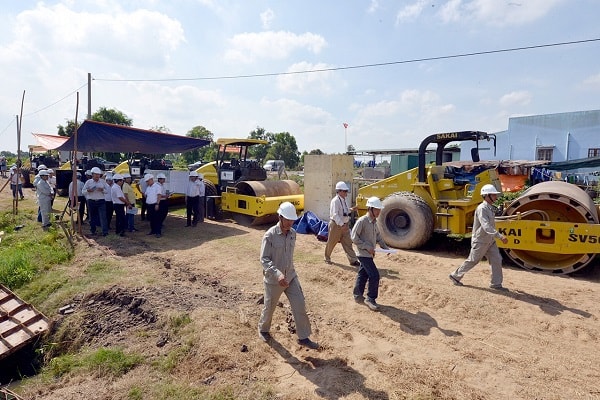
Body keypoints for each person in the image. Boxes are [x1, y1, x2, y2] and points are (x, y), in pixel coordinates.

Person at [258, 202, 319, 349]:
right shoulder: (270, 235)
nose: (290, 223)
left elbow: (288, 256)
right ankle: (263, 329)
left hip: (290, 276)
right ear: (280, 217)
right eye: (287, 220)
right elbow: (264, 259)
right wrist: (278, 275)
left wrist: (287, 273)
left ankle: (303, 337)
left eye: (292, 220)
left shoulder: (293, 233)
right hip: (274, 280)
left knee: (300, 305)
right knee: (269, 307)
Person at [449, 184, 509, 290]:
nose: (496, 197)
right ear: (486, 196)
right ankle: (455, 276)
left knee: (496, 259)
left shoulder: (490, 208)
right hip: (481, 240)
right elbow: (486, 226)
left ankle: (496, 284)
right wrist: (499, 236)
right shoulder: (482, 209)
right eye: (494, 195)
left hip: (489, 240)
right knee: (473, 260)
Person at [351, 196, 390, 311]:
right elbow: (354, 237)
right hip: (363, 253)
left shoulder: (374, 222)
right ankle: (370, 298)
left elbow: (378, 236)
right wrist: (367, 247)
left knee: (363, 273)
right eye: (377, 209)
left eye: (379, 210)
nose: (379, 212)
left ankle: (357, 295)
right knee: (374, 275)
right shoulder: (362, 221)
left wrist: (385, 247)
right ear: (371, 209)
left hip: (369, 254)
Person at [324, 181, 360, 266]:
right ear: (339, 191)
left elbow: (345, 211)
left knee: (348, 243)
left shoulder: (343, 200)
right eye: (344, 191)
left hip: (344, 224)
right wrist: (342, 225)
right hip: (336, 225)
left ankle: (353, 260)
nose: (346, 193)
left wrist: (352, 209)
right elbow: (335, 215)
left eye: (346, 191)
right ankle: (327, 257)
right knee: (331, 242)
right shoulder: (335, 201)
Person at [82, 167, 109, 236]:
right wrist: (88, 191)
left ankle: (105, 232)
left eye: (98, 175)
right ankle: (93, 230)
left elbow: (107, 191)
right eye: (96, 174)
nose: (97, 176)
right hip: (91, 201)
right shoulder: (88, 182)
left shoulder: (103, 182)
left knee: (103, 216)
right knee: (92, 217)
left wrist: (102, 190)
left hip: (101, 201)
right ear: (92, 175)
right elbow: (83, 191)